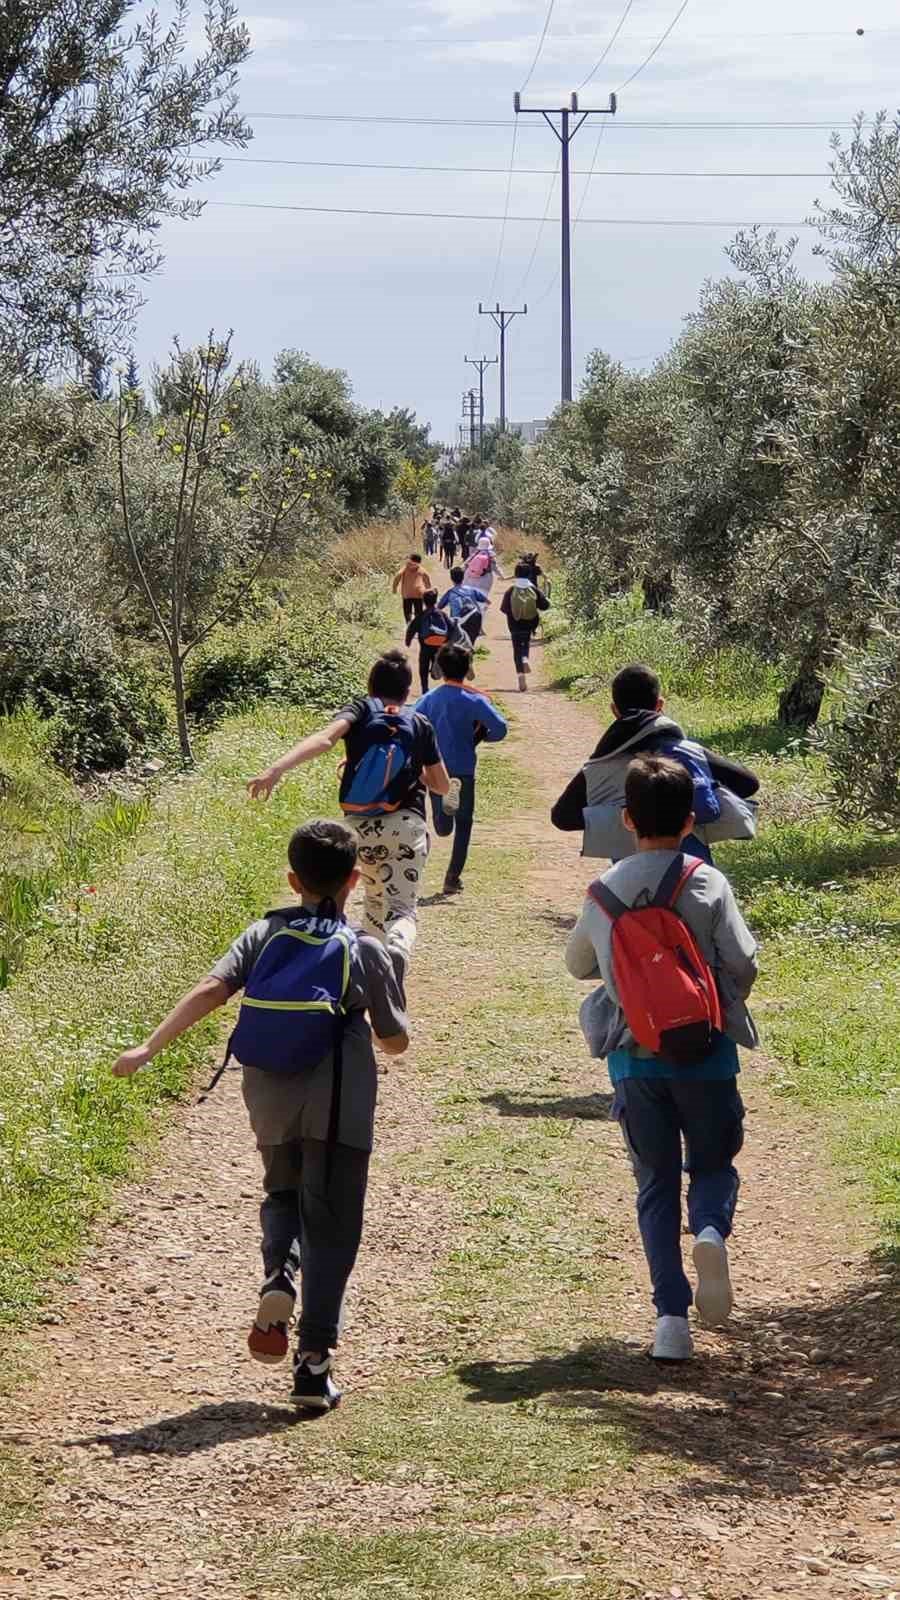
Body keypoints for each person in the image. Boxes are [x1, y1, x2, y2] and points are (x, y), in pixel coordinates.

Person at [111, 819, 409, 1411]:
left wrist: (148, 1047)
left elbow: (211, 988)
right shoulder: (365, 949)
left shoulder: (263, 933)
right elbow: (394, 1041)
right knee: (333, 1224)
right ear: (355, 879)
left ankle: (279, 1271)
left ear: (293, 878)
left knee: (282, 1194)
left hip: (268, 1094)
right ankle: (312, 1363)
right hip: (338, 1107)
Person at [565, 756, 759, 1363]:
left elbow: (578, 965)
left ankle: (670, 1323)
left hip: (635, 1061)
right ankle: (709, 1229)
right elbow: (743, 962)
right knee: (713, 1164)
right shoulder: (707, 881)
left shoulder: (605, 892)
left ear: (626, 819)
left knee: (653, 1183)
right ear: (691, 819)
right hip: (706, 1053)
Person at [247, 650, 449, 987]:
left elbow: (325, 739)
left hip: (359, 830)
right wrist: (414, 772)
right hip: (405, 826)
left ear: (371, 686)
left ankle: (366, 978)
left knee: (372, 900)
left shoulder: (360, 709)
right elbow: (440, 784)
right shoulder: (419, 722)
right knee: (401, 909)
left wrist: (275, 769)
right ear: (407, 689)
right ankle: (396, 948)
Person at [550, 662, 760, 863]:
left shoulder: (599, 764)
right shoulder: (689, 752)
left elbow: (562, 818)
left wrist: (628, 813)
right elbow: (748, 783)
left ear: (615, 710)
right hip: (692, 875)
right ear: (659, 705)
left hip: (631, 882)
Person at [417, 641, 508, 895]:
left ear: (439, 668)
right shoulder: (475, 700)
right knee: (465, 824)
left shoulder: (428, 700)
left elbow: (411, 724)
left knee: (443, 827)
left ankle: (442, 814)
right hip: (464, 767)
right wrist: (479, 738)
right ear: (467, 668)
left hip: (436, 767)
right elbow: (500, 728)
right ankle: (452, 877)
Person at [405, 589, 470, 695]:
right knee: (443, 666)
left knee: (423, 667)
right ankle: (447, 687)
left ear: (423, 601)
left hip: (425, 647)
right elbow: (452, 628)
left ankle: (424, 688)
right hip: (440, 647)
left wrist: (408, 641)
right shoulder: (442, 614)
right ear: (436, 600)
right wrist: (448, 641)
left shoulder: (421, 615)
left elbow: (412, 628)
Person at [501, 560, 551, 691]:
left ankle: (521, 677)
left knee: (516, 648)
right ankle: (525, 658)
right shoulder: (533, 589)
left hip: (514, 625)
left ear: (516, 574)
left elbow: (504, 608)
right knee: (526, 643)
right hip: (529, 623)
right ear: (529, 574)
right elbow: (545, 606)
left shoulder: (511, 590)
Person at [439, 566, 490, 649]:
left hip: (458, 622)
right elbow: (487, 602)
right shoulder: (471, 590)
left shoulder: (450, 592)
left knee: (456, 645)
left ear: (451, 578)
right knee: (470, 644)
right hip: (474, 619)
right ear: (463, 577)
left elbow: (439, 607)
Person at [391, 553, 433, 623]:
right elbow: (427, 581)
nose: (411, 565)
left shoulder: (410, 568)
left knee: (412, 612)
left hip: (412, 595)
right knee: (415, 612)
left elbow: (397, 577)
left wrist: (394, 588)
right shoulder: (410, 569)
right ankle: (413, 625)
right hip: (414, 595)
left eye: (412, 563)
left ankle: (412, 625)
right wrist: (428, 591)